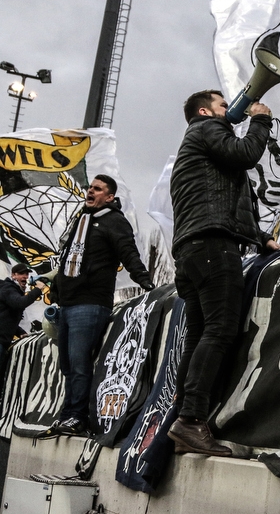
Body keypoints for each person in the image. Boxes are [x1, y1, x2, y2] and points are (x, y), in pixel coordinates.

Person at [168, 90, 280, 456]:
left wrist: (261, 238)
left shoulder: (200, 143)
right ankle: (191, 420)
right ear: (204, 110)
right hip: (214, 247)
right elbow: (245, 153)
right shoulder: (206, 128)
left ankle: (184, 418)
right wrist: (260, 120)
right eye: (221, 104)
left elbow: (223, 204)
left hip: (193, 248)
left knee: (200, 334)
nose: (229, 109)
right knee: (220, 330)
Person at [50, 174, 154, 436]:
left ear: (110, 196)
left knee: (79, 362)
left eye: (97, 189)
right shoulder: (80, 221)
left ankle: (77, 416)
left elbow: (129, 253)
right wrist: (55, 290)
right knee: (68, 365)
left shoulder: (114, 222)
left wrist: (145, 281)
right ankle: (67, 415)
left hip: (90, 303)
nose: (90, 191)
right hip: (67, 304)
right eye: (89, 187)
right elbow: (67, 257)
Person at [0, 263, 45, 361]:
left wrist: (20, 332)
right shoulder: (8, 289)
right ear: (13, 275)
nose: (25, 276)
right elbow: (20, 303)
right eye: (21, 274)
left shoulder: (10, 290)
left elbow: (6, 318)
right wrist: (37, 290)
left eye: (27, 274)